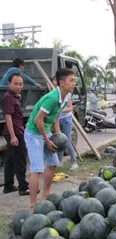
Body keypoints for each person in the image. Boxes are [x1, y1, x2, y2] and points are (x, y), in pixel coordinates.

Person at [24, 68, 75, 210]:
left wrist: (57, 135)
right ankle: (33, 205)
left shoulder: (64, 98)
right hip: (33, 133)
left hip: (45, 131)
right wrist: (47, 140)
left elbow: (55, 116)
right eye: (71, 80)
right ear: (61, 83)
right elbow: (38, 120)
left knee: (53, 162)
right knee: (37, 169)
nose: (74, 83)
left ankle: (45, 196)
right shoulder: (52, 98)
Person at [2, 73, 29, 195]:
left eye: (20, 84)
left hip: (16, 131)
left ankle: (8, 185)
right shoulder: (8, 97)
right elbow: (8, 117)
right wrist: (13, 136)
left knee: (11, 160)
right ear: (9, 84)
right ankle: (23, 187)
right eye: (15, 84)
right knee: (20, 159)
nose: (18, 86)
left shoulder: (15, 96)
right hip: (14, 133)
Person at [52, 77, 79, 170]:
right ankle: (60, 161)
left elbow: (70, 108)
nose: (55, 82)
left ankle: (74, 161)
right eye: (54, 80)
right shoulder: (54, 93)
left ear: (61, 82)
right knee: (60, 140)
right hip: (57, 120)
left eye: (57, 80)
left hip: (66, 119)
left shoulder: (67, 93)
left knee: (66, 140)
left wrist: (60, 110)